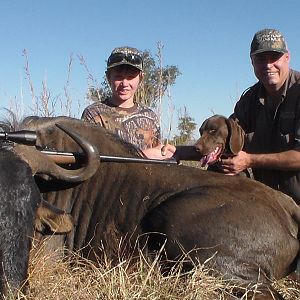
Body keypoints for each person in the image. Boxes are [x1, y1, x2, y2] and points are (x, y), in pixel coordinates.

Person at [220, 28, 300, 204]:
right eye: (261, 59)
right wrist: (178, 152)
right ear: (252, 62)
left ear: (287, 58)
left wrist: (249, 160)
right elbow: (224, 136)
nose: (268, 65)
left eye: (274, 58)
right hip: (268, 205)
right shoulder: (250, 99)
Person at [81, 46, 174, 159]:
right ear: (108, 77)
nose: (124, 83)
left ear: (141, 78)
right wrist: (144, 155)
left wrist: (166, 152)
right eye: (118, 77)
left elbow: (157, 153)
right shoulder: (93, 113)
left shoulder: (150, 117)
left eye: (130, 77)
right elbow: (89, 158)